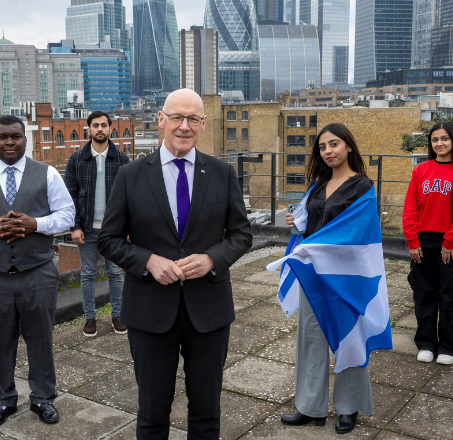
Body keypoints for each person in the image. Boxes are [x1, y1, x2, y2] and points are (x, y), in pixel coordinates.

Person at [98, 89, 252, 439]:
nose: (185, 126)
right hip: (150, 312)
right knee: (152, 414)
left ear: (203, 123)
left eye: (193, 119)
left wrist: (213, 257)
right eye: (177, 118)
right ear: (161, 120)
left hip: (208, 313)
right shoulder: (131, 175)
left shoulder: (222, 173)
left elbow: (242, 235)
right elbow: (107, 240)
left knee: (206, 412)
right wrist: (147, 260)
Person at [0, 115, 75, 428]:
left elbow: (67, 215)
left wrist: (37, 224)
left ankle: (43, 398)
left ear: (25, 139)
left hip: (38, 271)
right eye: (3, 137)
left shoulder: (46, 174)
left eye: (15, 137)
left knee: (41, 340)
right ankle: (3, 401)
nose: (9, 143)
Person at [281, 123, 376, 434]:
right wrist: (296, 223)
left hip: (346, 275)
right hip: (314, 273)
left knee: (349, 339)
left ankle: (349, 408)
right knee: (310, 339)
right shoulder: (318, 185)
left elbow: (359, 231)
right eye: (322, 147)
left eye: (334, 144)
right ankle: (310, 407)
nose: (328, 151)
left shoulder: (362, 186)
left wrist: (316, 244)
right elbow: (309, 229)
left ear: (348, 146)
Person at [402, 121, 453, 366]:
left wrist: (450, 240)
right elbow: (410, 208)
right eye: (435, 139)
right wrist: (412, 240)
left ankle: (449, 346)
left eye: (444, 138)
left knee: (451, 296)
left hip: (452, 244)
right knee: (423, 295)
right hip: (423, 242)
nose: (439, 143)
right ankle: (425, 343)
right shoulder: (421, 170)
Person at [64, 110, 131, 337]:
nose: (100, 129)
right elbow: (69, 196)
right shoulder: (76, 160)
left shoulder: (122, 159)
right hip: (87, 228)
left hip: (114, 229)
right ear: (89, 129)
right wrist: (74, 227)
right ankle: (90, 318)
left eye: (104, 125)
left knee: (115, 273)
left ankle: (118, 316)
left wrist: (129, 229)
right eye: (95, 125)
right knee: (87, 274)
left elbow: (130, 198)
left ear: (110, 128)